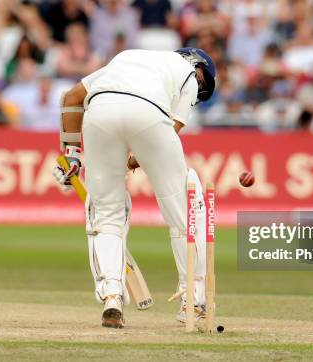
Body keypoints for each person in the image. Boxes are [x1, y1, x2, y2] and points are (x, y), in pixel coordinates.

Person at [52, 48, 216, 329]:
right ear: (194, 63)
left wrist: (72, 154)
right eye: (202, 82)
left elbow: (71, 98)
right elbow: (172, 127)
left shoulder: (126, 59)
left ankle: (112, 296)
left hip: (99, 113)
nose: (198, 88)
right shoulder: (187, 72)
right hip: (150, 114)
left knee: (106, 214)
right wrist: (132, 160)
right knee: (185, 210)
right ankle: (194, 299)